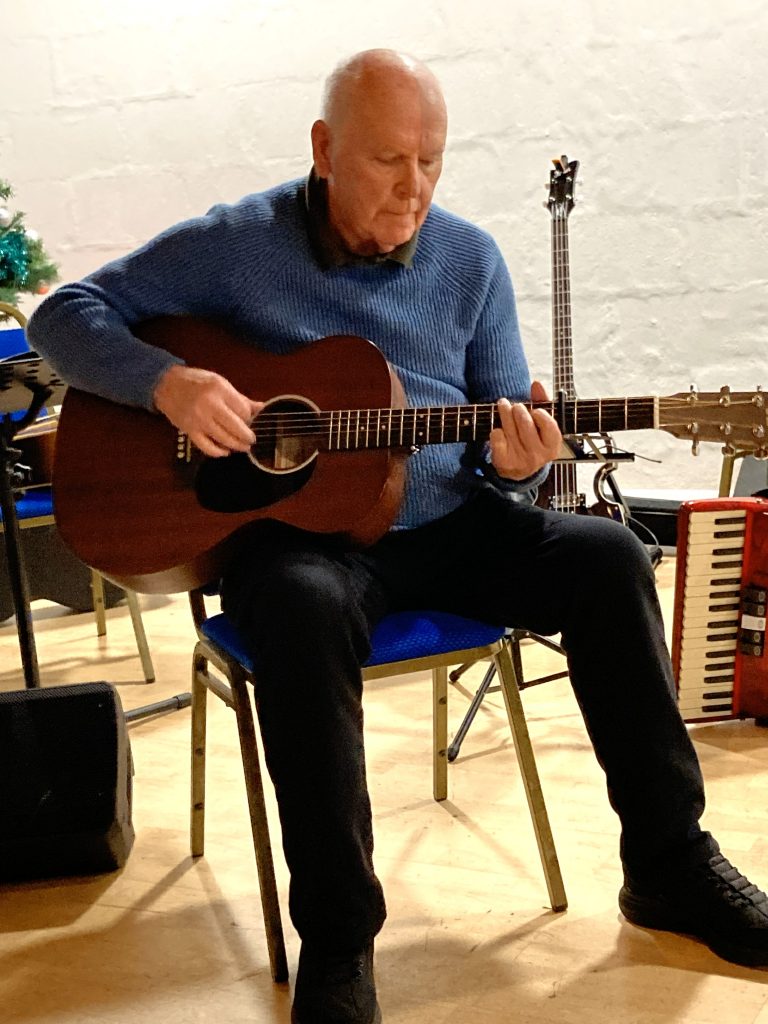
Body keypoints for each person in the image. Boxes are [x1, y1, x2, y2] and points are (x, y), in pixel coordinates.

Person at [27, 48, 768, 1024]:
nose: (413, 186)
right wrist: (168, 383)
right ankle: (339, 941)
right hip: (305, 544)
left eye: (431, 160)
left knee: (611, 557)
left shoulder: (470, 261)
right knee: (299, 605)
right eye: (387, 160)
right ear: (325, 149)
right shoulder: (236, 244)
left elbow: (511, 440)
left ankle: (670, 863)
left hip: (451, 523)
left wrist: (521, 465)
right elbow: (62, 315)